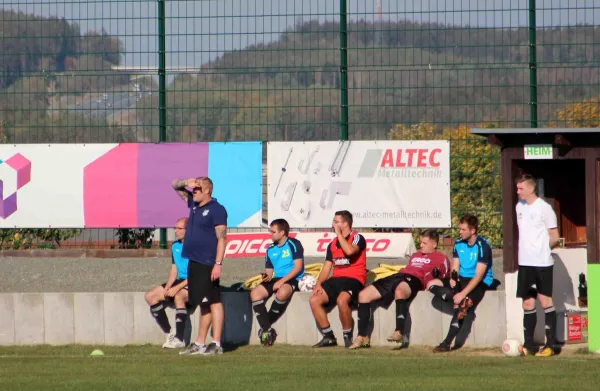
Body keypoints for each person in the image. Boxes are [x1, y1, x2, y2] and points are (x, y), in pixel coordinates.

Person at [349, 229, 450, 350]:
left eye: (424, 243)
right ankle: (362, 337)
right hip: (399, 276)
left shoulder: (441, 258)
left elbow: (446, 278)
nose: (421, 245)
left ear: (434, 244)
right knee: (363, 295)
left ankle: (399, 332)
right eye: (420, 242)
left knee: (400, 291)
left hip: (415, 279)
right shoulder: (415, 255)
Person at [171, 177, 228, 356]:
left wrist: (218, 264)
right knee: (204, 303)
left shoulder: (217, 209)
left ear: (207, 191)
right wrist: (188, 181)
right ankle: (199, 343)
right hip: (194, 262)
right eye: (193, 189)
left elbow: (222, 238)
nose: (193, 191)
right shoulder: (194, 205)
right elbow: (175, 186)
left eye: (197, 189)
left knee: (214, 301)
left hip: (208, 262)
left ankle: (216, 343)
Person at [427, 213, 495, 353]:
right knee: (432, 284)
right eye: (460, 229)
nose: (460, 232)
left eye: (463, 229)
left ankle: (446, 343)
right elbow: (455, 266)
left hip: (480, 281)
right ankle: (454, 298)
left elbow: (478, 276)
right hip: (462, 278)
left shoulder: (483, 246)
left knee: (462, 306)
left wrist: (462, 294)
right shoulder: (458, 243)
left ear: (473, 231)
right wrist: (453, 279)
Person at [514, 174, 560, 357]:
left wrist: (542, 249)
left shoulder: (545, 209)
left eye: (520, 188)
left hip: (542, 264)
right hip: (525, 264)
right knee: (527, 302)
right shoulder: (519, 207)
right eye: (517, 188)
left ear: (531, 188)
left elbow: (555, 237)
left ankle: (551, 345)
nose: (518, 192)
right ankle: (529, 345)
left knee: (545, 301)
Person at [309, 210, 367, 348]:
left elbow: (350, 251)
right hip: (336, 279)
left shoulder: (358, 237)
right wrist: (318, 284)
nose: (333, 224)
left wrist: (339, 235)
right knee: (314, 299)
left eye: (336, 222)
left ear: (345, 224)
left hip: (354, 279)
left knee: (342, 300)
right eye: (333, 221)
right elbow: (326, 268)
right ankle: (328, 336)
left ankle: (347, 335)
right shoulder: (332, 244)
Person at [250, 218, 305, 347]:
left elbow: (298, 267)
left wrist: (282, 281)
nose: (270, 234)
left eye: (273, 232)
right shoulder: (270, 249)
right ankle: (268, 329)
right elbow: (269, 271)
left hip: (292, 278)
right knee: (255, 294)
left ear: (282, 232)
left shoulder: (294, 244)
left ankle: (265, 327)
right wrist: (266, 276)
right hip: (277, 278)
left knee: (283, 292)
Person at [144, 217, 190, 348]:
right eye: (175, 228)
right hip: (180, 281)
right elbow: (174, 269)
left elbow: (197, 273)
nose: (176, 231)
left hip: (193, 281)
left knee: (179, 296)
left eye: (179, 228)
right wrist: (169, 286)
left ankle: (180, 340)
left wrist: (177, 289)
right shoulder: (175, 246)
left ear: (189, 229)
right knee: (150, 296)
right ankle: (170, 334)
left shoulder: (194, 247)